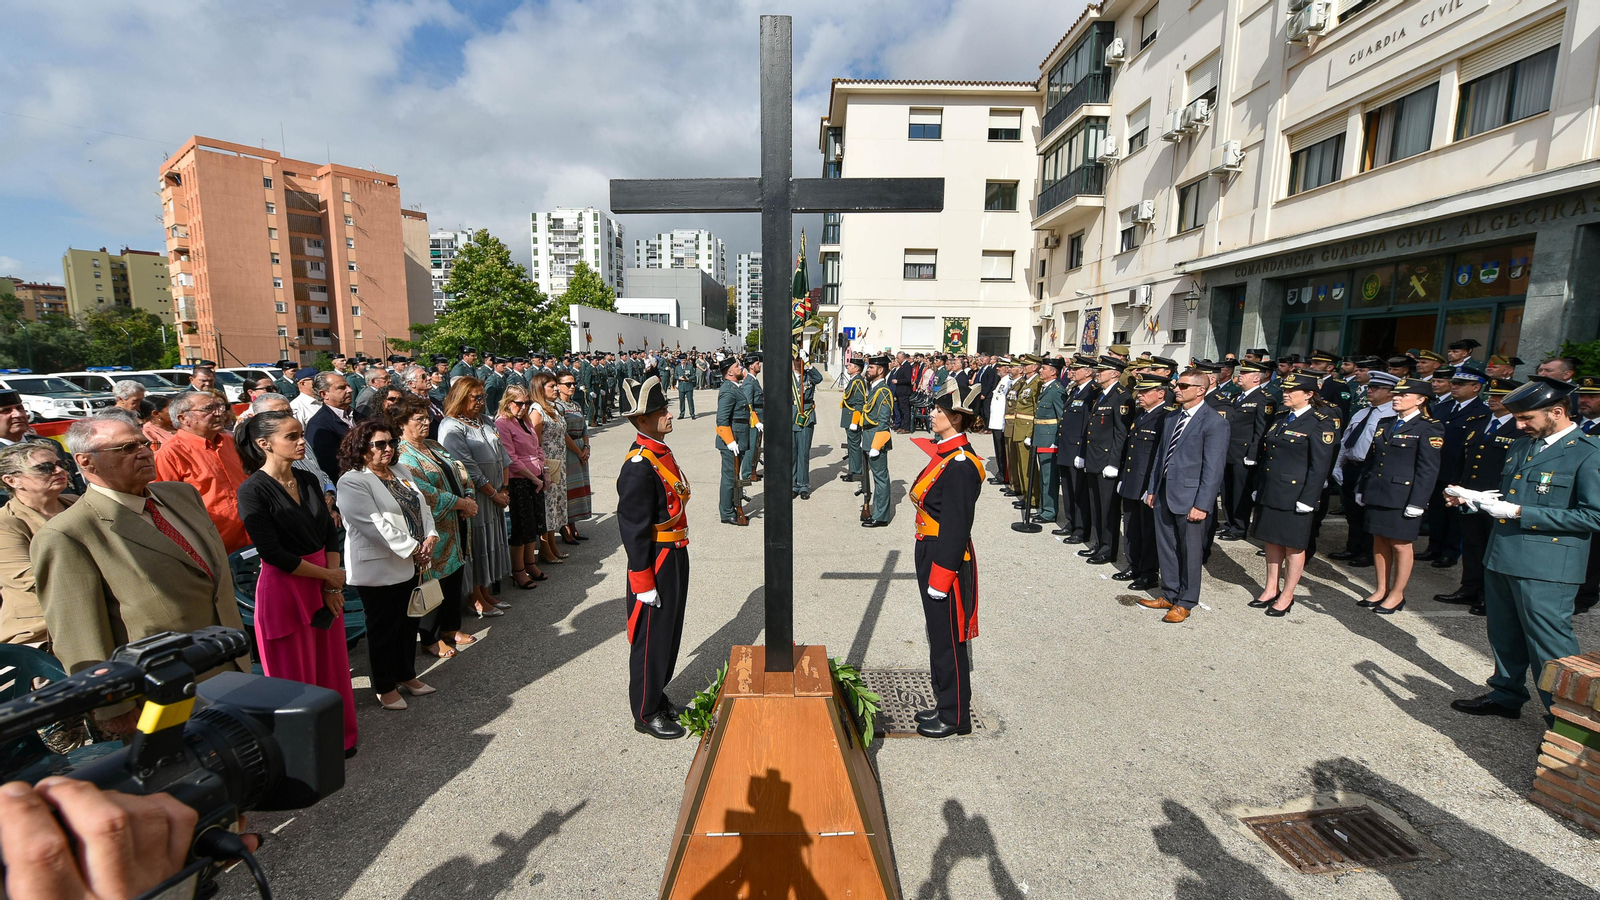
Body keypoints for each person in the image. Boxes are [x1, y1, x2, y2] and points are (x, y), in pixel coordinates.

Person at [33, 418, 247, 734]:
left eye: (144, 444)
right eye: (127, 448)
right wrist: (112, 706)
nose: (145, 453)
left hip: (229, 664)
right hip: (160, 690)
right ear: (85, 461)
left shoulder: (180, 496)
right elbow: (80, 635)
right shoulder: (69, 533)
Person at [1447, 376, 1600, 720]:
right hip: (1504, 554)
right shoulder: (1523, 445)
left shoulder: (1589, 453)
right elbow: (1514, 494)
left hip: (1547, 566)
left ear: (1558, 412)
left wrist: (1520, 512)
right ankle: (1506, 693)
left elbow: (1594, 515)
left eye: (1527, 418)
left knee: (1550, 645)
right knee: (1504, 634)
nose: (1519, 425)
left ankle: (1564, 716)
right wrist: (1476, 500)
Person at [234, 410, 357, 754]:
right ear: (264, 444)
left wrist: (332, 585)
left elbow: (329, 535)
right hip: (286, 588)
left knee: (331, 665)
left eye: (300, 434)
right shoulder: (252, 490)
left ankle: (338, 738)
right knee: (294, 671)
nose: (302, 441)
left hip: (323, 582)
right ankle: (305, 748)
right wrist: (329, 577)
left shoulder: (307, 480)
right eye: (291, 436)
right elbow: (272, 553)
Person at [336, 419, 438, 711]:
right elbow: (372, 525)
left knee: (408, 623)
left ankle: (407, 675)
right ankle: (384, 686)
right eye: (380, 444)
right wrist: (414, 548)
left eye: (392, 442)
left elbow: (422, 506)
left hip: (411, 561)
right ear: (361, 448)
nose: (389, 449)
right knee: (383, 629)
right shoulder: (353, 481)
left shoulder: (400, 470)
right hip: (377, 569)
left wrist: (430, 535)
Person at [615, 375, 691, 739]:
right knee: (650, 639)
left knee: (669, 633)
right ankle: (644, 713)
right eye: (661, 411)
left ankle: (657, 695)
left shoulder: (659, 450)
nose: (669, 414)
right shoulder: (638, 464)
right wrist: (642, 579)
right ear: (642, 420)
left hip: (675, 552)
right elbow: (633, 528)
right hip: (655, 559)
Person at [909, 381, 985, 737]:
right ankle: (944, 703)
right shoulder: (946, 454)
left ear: (957, 417)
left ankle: (955, 716)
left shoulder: (961, 465)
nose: (933, 414)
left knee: (949, 640)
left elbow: (956, 526)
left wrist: (941, 578)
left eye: (940, 410)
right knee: (936, 634)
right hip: (930, 546)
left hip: (945, 556)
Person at [1141, 369, 1230, 623]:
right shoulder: (1172, 418)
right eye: (1176, 385)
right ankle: (1169, 594)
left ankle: (1186, 601)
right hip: (1164, 493)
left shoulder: (1215, 422)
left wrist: (1202, 504)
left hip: (1190, 498)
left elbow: (1213, 469)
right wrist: (1152, 489)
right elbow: (1160, 456)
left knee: (1190, 552)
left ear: (1200, 390)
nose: (1176, 389)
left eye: (1183, 385)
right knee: (1166, 547)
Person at [397, 396, 482, 658]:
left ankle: (450, 628)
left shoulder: (433, 445)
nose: (426, 422)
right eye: (418, 419)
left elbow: (459, 470)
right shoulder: (403, 456)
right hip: (433, 529)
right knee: (432, 583)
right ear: (401, 424)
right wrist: (460, 504)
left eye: (427, 417)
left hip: (455, 526)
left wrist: (468, 495)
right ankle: (430, 638)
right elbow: (424, 492)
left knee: (453, 578)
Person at [1350, 377, 1442, 615]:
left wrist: (1418, 502)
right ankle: (1381, 589)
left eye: (1403, 395)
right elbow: (1372, 460)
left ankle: (1397, 593)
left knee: (1400, 545)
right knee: (1379, 541)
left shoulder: (1429, 426)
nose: (1397, 398)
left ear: (1421, 400)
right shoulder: (1386, 422)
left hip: (1403, 495)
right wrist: (1362, 487)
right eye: (1396, 394)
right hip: (1378, 491)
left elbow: (1428, 469)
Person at [1248, 373, 1337, 616]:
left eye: (1292, 390)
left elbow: (1320, 466)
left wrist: (1309, 499)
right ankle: (1270, 588)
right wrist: (1259, 485)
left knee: (1294, 547)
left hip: (1297, 494)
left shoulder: (1320, 422)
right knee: (1271, 540)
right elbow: (1269, 456)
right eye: (1285, 390)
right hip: (1272, 488)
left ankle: (1287, 594)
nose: (1285, 394)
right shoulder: (1281, 418)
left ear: (1309, 394)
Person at [1434, 377, 1519, 615]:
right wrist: (1457, 486)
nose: (1492, 400)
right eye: (1491, 395)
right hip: (1470, 495)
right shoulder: (1478, 422)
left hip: (1496, 498)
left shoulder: (1519, 428)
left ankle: (1487, 596)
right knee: (1472, 545)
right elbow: (1463, 459)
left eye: (1500, 396)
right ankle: (1468, 588)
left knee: (1492, 549)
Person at [438, 377, 513, 618]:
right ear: (460, 397)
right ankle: (474, 597)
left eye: (483, 396)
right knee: (477, 543)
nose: (481, 401)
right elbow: (467, 467)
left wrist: (505, 488)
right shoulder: (451, 426)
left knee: (491, 541)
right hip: (477, 496)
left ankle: (485, 590)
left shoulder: (485, 420)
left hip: (495, 494)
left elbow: (502, 453)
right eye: (476, 397)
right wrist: (493, 493)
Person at [0, 443, 78, 648]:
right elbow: (29, 578)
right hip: (41, 632)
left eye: (61, 464)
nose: (59, 471)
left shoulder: (75, 503)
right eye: (44, 468)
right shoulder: (5, 523)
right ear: (12, 481)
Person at [153, 390, 250, 553]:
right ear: (183, 418)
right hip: (211, 548)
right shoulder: (170, 454)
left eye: (219, 406)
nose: (219, 413)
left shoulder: (231, 443)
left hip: (253, 539)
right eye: (208, 408)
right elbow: (163, 509)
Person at [1330, 372, 1397, 568]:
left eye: (1376, 388)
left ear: (1390, 393)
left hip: (1372, 468)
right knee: (1352, 511)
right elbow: (1346, 441)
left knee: (1368, 512)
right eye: (1370, 387)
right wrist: (1338, 465)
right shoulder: (1361, 412)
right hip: (1353, 466)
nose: (1370, 390)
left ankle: (1368, 552)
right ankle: (1353, 546)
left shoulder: (1392, 415)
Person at [1116, 374, 1172, 591]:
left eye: (1144, 392)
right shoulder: (1140, 414)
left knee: (1148, 531)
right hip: (1132, 479)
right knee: (1131, 527)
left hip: (1148, 483)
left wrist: (1152, 486)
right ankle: (1134, 565)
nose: (1139, 396)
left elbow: (1160, 456)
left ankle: (1149, 572)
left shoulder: (1165, 417)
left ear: (1160, 394)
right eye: (1138, 391)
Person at [495, 385, 547, 592]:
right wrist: (534, 477)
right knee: (521, 526)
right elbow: (511, 458)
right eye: (519, 403)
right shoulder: (503, 423)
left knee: (533, 524)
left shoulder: (524, 420)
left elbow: (537, 447)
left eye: (527, 403)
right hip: (519, 480)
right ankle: (518, 570)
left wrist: (544, 471)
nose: (524, 407)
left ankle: (529, 564)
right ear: (508, 402)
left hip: (535, 477)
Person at [1080, 357, 1131, 565]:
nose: (1097, 373)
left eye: (1103, 370)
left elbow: (1121, 433)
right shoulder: (1102, 395)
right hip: (1094, 458)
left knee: (1108, 508)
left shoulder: (1121, 397)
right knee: (1096, 505)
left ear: (1115, 374)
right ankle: (1099, 543)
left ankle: (1108, 549)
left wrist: (1113, 462)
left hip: (1106, 461)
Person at [1219, 361, 1274, 541]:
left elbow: (1261, 430)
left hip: (1244, 454)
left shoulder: (1264, 399)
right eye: (1241, 372)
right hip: (1229, 451)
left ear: (1257, 378)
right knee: (1227, 490)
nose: (1240, 375)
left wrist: (1253, 454)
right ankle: (1229, 524)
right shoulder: (1237, 397)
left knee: (1240, 492)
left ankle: (1239, 527)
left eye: (1245, 373)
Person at [1055, 355, 1099, 543]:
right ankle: (1071, 522)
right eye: (1072, 369)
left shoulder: (1092, 392)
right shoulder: (1075, 389)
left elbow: (1088, 424)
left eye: (1077, 369)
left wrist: (1082, 452)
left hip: (1077, 449)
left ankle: (1081, 529)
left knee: (1079, 490)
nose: (1071, 371)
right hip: (1067, 447)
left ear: (1088, 372)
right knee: (1068, 488)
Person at [533, 374, 572, 563]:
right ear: (540, 388)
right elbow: (535, 442)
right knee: (547, 507)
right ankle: (545, 548)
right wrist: (543, 467)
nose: (557, 389)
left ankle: (552, 544)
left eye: (557, 386)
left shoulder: (553, 407)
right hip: (547, 464)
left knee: (555, 506)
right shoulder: (537, 410)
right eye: (552, 386)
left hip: (559, 463)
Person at [714, 357, 752, 526]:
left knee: (734, 477)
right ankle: (727, 512)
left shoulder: (735, 387)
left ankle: (733, 506)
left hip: (738, 438)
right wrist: (730, 441)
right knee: (730, 477)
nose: (740, 367)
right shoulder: (728, 390)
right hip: (731, 440)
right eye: (737, 366)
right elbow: (722, 420)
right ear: (729, 371)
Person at [556, 371, 593, 541]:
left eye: (573, 384)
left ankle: (574, 525)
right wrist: (578, 452)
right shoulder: (557, 406)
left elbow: (585, 428)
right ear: (558, 386)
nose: (572, 387)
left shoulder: (576, 405)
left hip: (580, 447)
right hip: (567, 450)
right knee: (567, 488)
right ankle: (566, 526)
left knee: (579, 487)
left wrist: (586, 447)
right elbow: (563, 433)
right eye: (567, 384)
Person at [861, 355, 896, 527]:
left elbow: (883, 421)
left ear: (880, 370)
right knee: (872, 479)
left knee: (880, 478)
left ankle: (881, 516)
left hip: (876, 439)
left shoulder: (883, 391)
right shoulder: (873, 388)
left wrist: (876, 444)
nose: (868, 370)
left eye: (871, 368)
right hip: (868, 437)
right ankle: (875, 510)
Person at [1031, 357, 1066, 527]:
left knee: (1049, 477)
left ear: (1053, 372)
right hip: (1041, 437)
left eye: (1043, 368)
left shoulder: (1057, 390)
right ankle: (1044, 507)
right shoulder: (1047, 388)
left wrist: (1057, 441)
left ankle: (1050, 511)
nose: (1040, 371)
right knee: (1044, 476)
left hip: (1050, 439)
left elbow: (1061, 418)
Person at [305, 372, 357, 481]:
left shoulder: (358, 416)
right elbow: (328, 464)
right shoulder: (319, 425)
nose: (349, 390)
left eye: (348, 386)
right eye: (341, 388)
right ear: (324, 394)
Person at [791, 357, 823, 499]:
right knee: (792, 453)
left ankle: (803, 485)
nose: (799, 363)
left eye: (801, 360)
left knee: (803, 453)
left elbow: (819, 378)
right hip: (790, 416)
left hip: (805, 415)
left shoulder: (809, 376)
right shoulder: (788, 377)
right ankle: (793, 484)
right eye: (797, 360)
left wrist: (809, 365)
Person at [840, 355, 868, 484]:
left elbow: (859, 403)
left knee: (854, 446)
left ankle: (856, 472)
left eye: (850, 365)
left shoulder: (858, 381)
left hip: (852, 417)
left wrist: (854, 421)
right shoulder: (854, 380)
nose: (848, 366)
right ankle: (852, 470)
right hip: (849, 416)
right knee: (851, 446)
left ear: (857, 369)